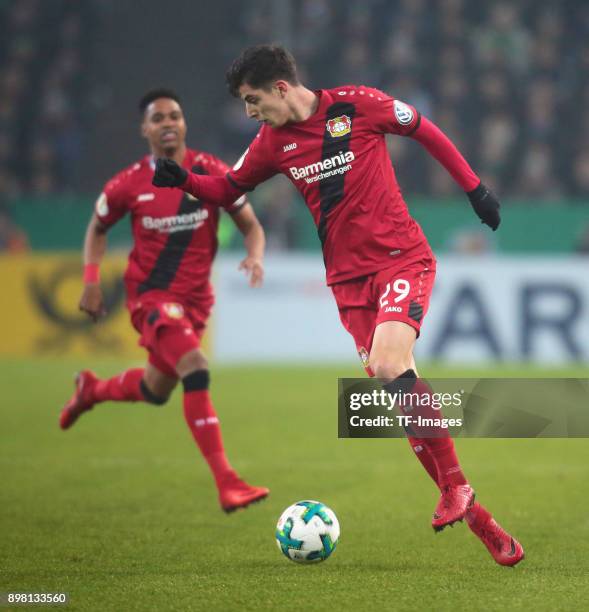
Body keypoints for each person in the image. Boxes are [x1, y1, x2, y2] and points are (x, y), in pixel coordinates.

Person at [152, 45, 524, 566]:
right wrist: (185, 180)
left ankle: (456, 488)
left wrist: (475, 189)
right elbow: (230, 187)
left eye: (252, 100)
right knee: (396, 387)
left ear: (280, 88)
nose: (249, 112)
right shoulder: (270, 143)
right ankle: (480, 519)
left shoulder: (358, 105)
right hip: (347, 284)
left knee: (390, 365)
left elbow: (425, 130)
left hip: (401, 259)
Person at [59, 88, 269, 513]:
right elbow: (97, 228)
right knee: (195, 366)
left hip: (196, 302)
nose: (168, 123)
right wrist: (91, 280)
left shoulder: (209, 170)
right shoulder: (128, 183)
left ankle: (92, 389)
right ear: (145, 129)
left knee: (156, 390)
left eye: (175, 115)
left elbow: (250, 224)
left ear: (185, 122)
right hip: (151, 299)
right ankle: (227, 481)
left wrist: (255, 255)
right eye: (158, 118)